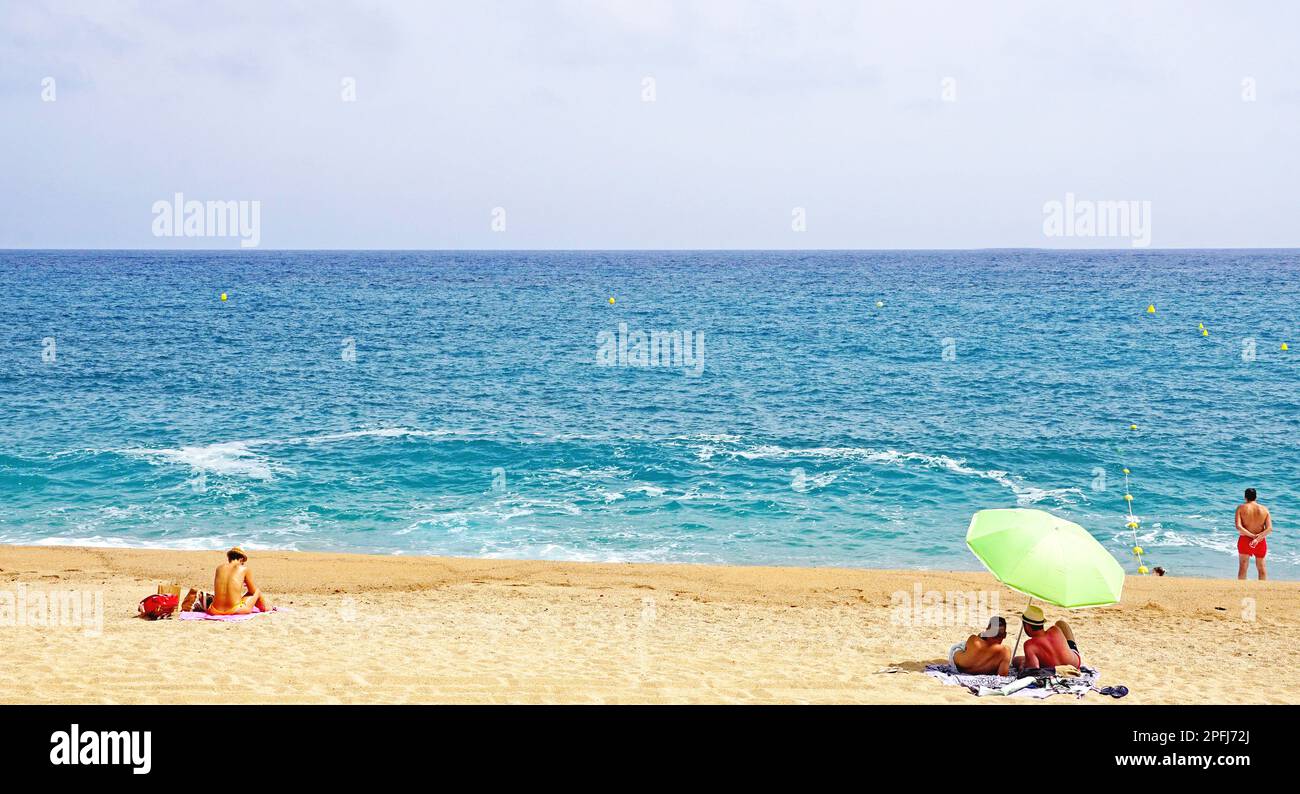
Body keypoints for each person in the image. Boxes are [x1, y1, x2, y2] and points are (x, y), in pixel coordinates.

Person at [1013, 605, 1080, 671]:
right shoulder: (1055, 629)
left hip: (1056, 670)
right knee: (1061, 623)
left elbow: (1033, 670)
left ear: (1027, 626)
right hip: (1074, 664)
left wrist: (1022, 666)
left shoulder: (1029, 645)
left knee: (1015, 660)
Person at [207, 546, 270, 615]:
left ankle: (265, 607)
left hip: (214, 610)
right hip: (234, 610)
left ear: (229, 558)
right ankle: (266, 608)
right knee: (257, 591)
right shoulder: (244, 569)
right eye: (243, 562)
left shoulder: (219, 568)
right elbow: (252, 591)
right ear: (242, 559)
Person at [947, 616, 1012, 675]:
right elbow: (1002, 676)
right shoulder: (1005, 651)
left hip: (960, 664)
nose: (998, 639)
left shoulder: (974, 640)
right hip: (957, 657)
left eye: (1002, 635)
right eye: (994, 635)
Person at [1235, 488, 1270, 581]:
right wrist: (1257, 538)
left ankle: (1241, 589)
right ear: (1256, 497)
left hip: (1245, 540)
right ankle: (1262, 590)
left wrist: (1251, 536)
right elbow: (1269, 529)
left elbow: (1238, 526)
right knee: (1261, 567)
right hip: (1260, 541)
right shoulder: (1264, 509)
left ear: (1245, 497)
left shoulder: (1241, 508)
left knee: (1243, 567)